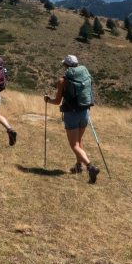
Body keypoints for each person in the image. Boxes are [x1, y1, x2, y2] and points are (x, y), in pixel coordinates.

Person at [44, 55, 100, 184]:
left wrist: (48, 100)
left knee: (74, 145)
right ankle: (78, 166)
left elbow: (57, 101)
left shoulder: (62, 81)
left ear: (66, 66)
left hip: (72, 114)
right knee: (79, 141)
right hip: (84, 112)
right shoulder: (85, 76)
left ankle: (90, 167)